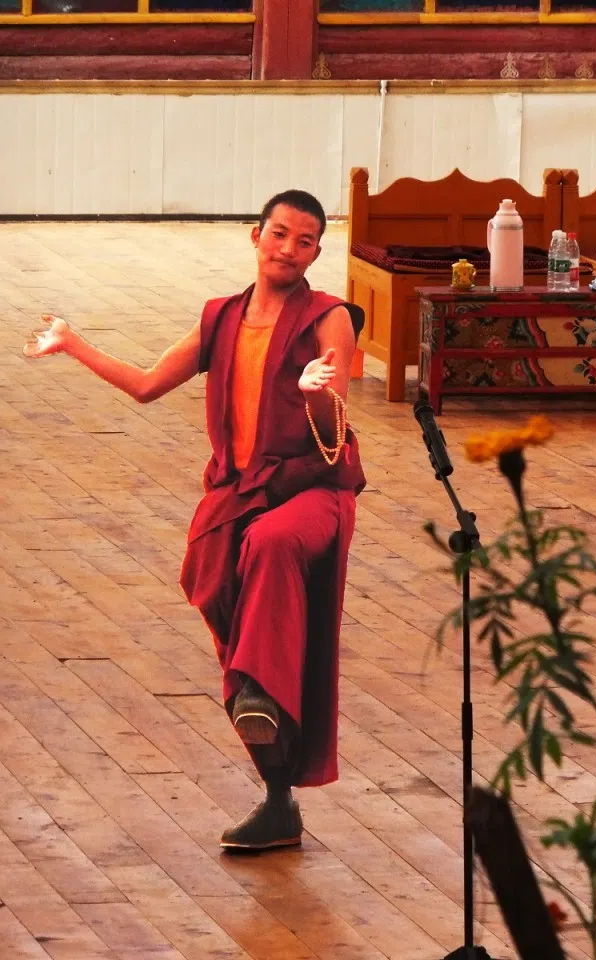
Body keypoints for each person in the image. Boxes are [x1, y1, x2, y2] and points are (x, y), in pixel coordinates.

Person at [24, 190, 366, 851]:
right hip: (237, 493)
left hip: (312, 493)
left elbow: (334, 433)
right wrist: (73, 344)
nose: (288, 248)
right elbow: (149, 384)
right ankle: (276, 793)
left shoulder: (330, 321)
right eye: (279, 234)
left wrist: (316, 396)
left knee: (270, 542)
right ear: (255, 236)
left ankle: (258, 696)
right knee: (212, 585)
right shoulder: (223, 319)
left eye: (304, 241)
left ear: (317, 252)